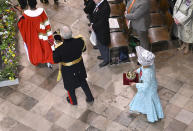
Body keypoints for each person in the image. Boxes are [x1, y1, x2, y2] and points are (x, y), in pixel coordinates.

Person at [53, 26, 94, 105]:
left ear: (61, 36)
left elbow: (55, 60)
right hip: (79, 66)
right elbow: (84, 49)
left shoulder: (59, 48)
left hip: (68, 71)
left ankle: (73, 101)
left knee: (70, 87)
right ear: (71, 33)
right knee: (83, 81)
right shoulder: (80, 41)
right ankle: (90, 98)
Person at [129, 46, 164, 123]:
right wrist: (136, 71)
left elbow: (146, 86)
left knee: (149, 102)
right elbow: (142, 68)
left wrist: (135, 84)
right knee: (142, 96)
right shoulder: (150, 64)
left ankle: (153, 117)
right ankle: (141, 108)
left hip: (149, 89)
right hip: (151, 85)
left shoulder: (148, 73)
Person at [17, 0, 54, 68]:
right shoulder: (42, 11)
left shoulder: (26, 14)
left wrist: (20, 17)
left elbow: (22, 25)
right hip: (43, 35)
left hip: (33, 37)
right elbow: (46, 23)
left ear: (28, 4)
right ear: (36, 3)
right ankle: (48, 61)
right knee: (45, 48)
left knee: (35, 49)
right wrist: (49, 35)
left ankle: (38, 59)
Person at [90, 0, 111, 67]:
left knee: (103, 44)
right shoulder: (99, 3)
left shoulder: (105, 7)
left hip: (102, 30)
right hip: (98, 29)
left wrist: (93, 26)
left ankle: (106, 59)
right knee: (99, 42)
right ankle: (103, 55)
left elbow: (102, 22)